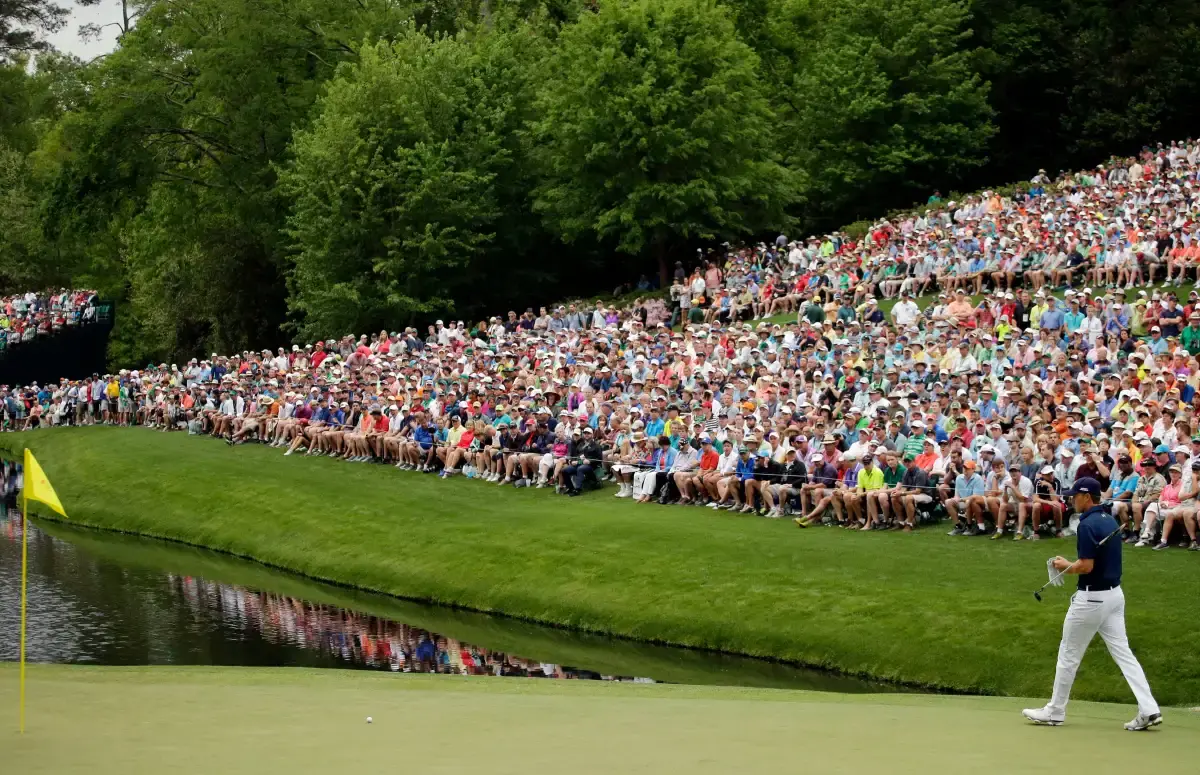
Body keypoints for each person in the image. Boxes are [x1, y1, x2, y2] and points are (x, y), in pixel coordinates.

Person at [1022, 477, 1162, 731]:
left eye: (1075, 495)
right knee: (1124, 654)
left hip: (1091, 599)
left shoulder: (1086, 525)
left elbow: (1086, 566)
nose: (1072, 499)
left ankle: (1055, 711)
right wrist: (1072, 564)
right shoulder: (1108, 519)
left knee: (1068, 654)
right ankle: (1149, 708)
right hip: (1115, 597)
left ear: (1087, 497)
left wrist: (1065, 566)